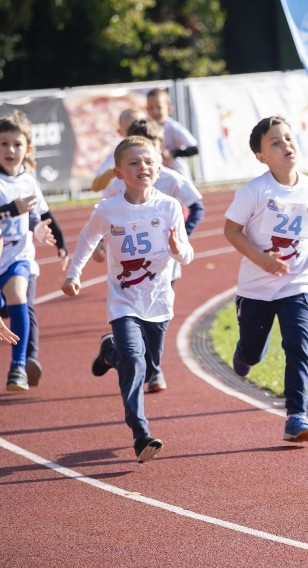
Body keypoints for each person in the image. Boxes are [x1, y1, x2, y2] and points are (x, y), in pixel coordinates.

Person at [62, 135, 194, 463]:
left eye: (148, 162)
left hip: (159, 302)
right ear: (119, 173)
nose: (142, 168)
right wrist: (73, 274)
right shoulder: (108, 210)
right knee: (134, 360)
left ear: (159, 167)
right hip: (124, 302)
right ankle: (140, 432)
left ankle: (109, 351)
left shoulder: (168, 207)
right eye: (133, 163)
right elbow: (88, 238)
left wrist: (180, 251)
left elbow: (188, 255)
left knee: (149, 366)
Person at [224, 115, 308, 443]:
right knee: (253, 353)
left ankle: (296, 416)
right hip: (256, 289)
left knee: (298, 344)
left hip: (296, 284)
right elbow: (231, 230)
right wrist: (261, 259)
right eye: (275, 142)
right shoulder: (254, 191)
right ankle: (245, 354)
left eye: (288, 138)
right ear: (261, 156)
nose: (285, 145)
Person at [98, 117, 205, 394]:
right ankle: (133, 361)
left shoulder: (172, 179)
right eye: (138, 153)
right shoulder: (123, 182)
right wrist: (100, 242)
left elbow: (197, 207)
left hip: (167, 263)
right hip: (133, 265)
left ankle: (151, 368)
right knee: (139, 319)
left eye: (153, 148)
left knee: (157, 318)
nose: (145, 160)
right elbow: (102, 209)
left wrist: (181, 241)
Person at [0, 111, 59, 391]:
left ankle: (18, 367)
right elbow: (15, 210)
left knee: (19, 294)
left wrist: (46, 234)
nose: (10, 150)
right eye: (3, 144)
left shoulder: (28, 181)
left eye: (16, 144)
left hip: (17, 257)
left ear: (28, 149)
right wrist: (12, 210)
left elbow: (37, 215)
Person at [146, 88, 198, 180]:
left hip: (177, 171)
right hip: (157, 173)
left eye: (159, 107)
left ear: (169, 108)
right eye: (151, 108)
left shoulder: (174, 127)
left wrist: (172, 153)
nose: (155, 112)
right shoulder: (145, 129)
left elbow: (194, 148)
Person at [91, 108, 147, 192]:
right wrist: (115, 171)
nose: (136, 134)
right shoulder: (116, 156)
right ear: (120, 132)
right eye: (130, 130)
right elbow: (96, 187)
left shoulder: (157, 151)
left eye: (140, 128)